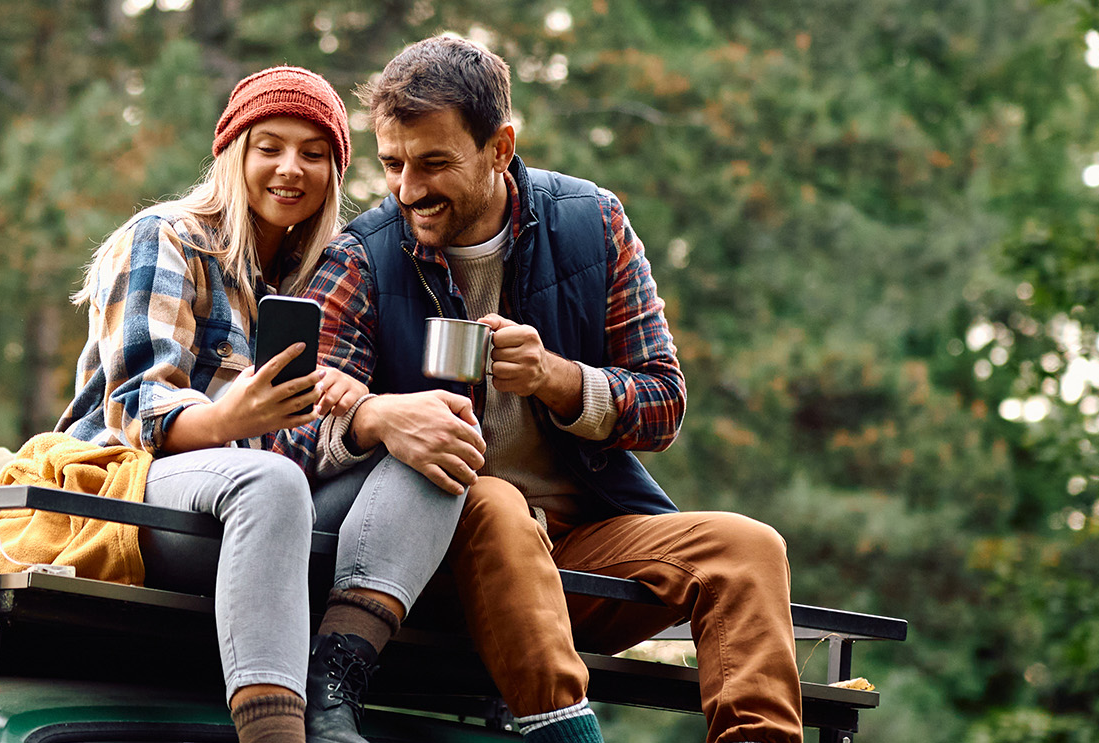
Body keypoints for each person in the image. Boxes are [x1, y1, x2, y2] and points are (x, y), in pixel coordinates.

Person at [277, 36, 802, 743]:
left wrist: (560, 379)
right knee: (490, 495)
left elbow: (664, 402)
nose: (407, 189)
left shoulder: (593, 224)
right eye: (392, 164)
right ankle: (567, 732)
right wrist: (377, 418)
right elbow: (290, 424)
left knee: (748, 546)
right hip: (435, 572)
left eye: (434, 163)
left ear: (500, 147)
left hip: (577, 551)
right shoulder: (363, 255)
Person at [56, 66, 464, 743]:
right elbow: (133, 406)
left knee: (433, 447)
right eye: (269, 146)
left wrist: (366, 417)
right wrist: (225, 420)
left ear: (334, 172)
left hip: (265, 506)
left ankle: (335, 685)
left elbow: (301, 447)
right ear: (232, 152)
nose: (290, 168)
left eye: (313, 153)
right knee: (269, 481)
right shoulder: (170, 236)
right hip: (132, 493)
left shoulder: (320, 274)